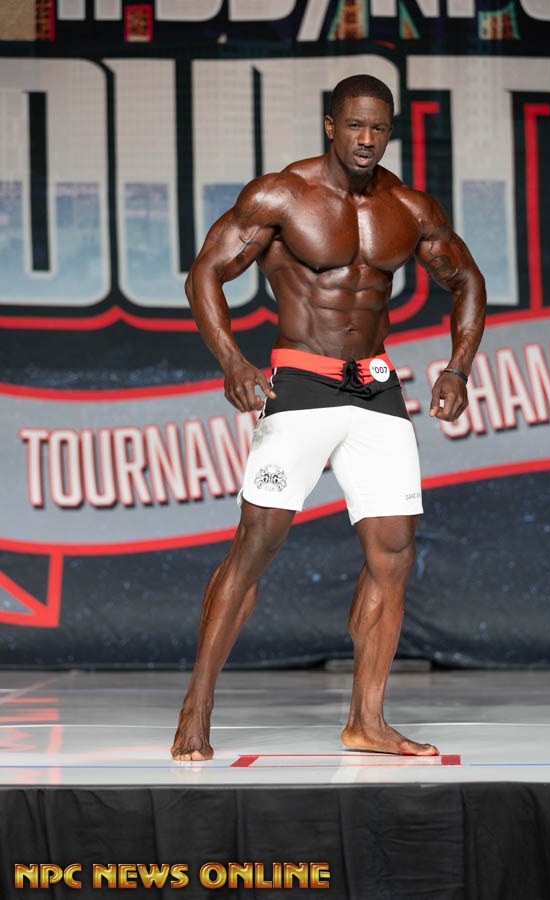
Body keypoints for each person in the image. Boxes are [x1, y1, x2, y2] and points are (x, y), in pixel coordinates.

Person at [171, 74, 486, 761]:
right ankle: (197, 704)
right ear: (331, 126)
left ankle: (366, 720)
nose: (366, 139)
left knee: (393, 553)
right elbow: (204, 273)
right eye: (355, 125)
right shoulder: (281, 195)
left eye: (379, 128)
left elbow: (466, 279)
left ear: (390, 132)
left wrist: (458, 368)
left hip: (375, 390)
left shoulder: (409, 207)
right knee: (256, 545)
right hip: (302, 384)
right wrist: (233, 362)